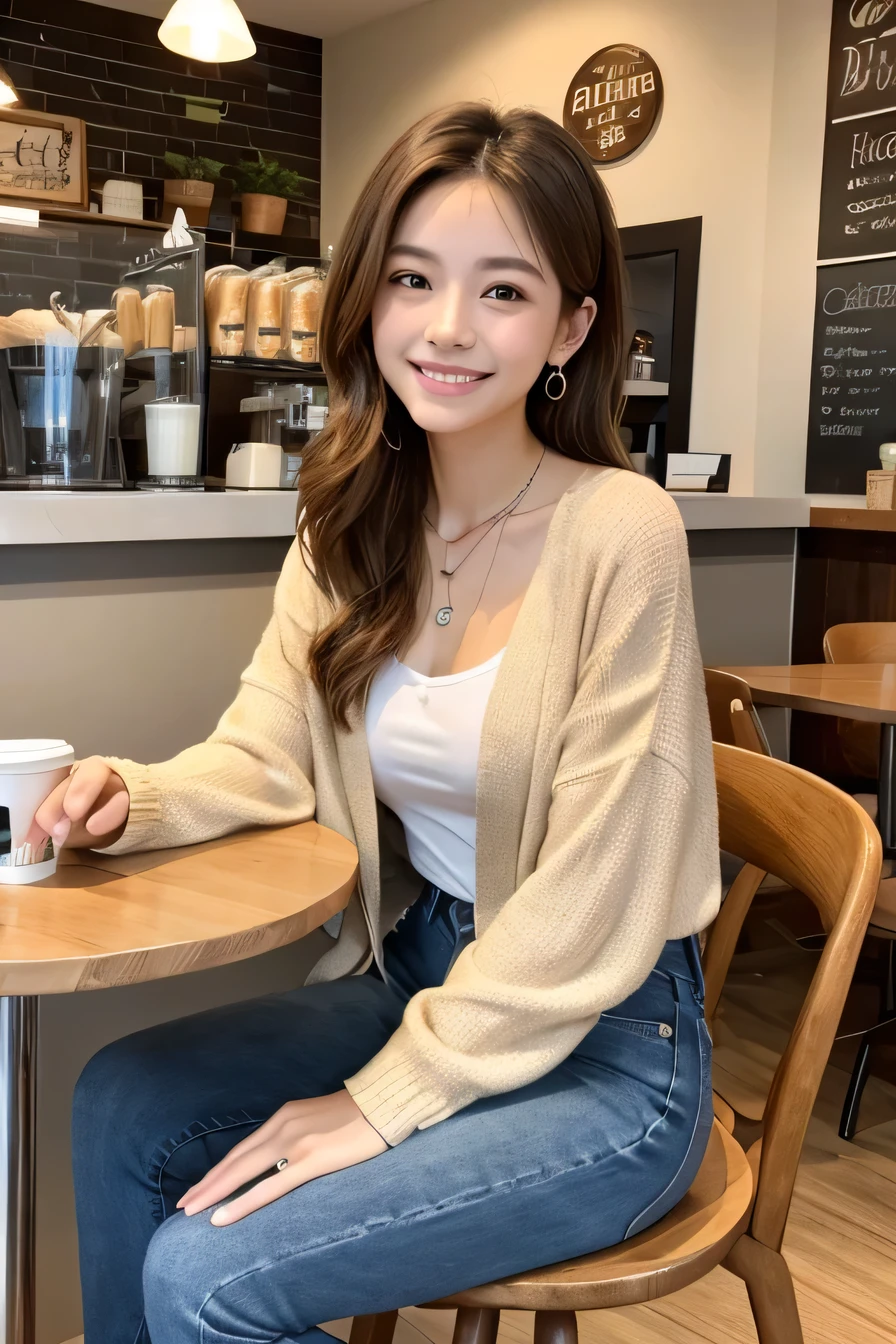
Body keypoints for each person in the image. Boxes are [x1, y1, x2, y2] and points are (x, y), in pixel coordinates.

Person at [31, 101, 721, 1344]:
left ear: (570, 325)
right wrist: (135, 797)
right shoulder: (345, 525)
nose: (446, 327)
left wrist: (387, 1096)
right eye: (413, 277)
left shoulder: (623, 532)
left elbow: (595, 894)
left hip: (611, 1042)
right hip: (419, 971)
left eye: (501, 291)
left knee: (205, 1277)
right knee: (120, 1098)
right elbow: (265, 749)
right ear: (367, 297)